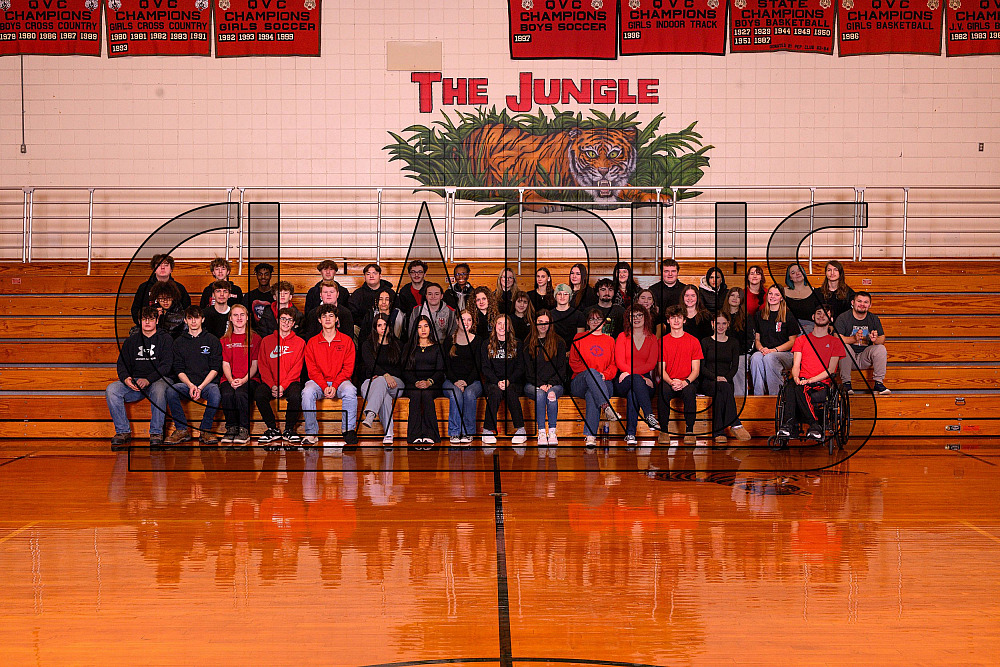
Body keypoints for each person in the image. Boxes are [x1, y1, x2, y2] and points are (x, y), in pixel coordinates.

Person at [106, 306, 174, 449]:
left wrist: (148, 379)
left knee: (160, 389)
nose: (147, 322)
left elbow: (166, 366)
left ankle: (156, 433)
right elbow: (122, 364)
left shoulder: (165, 339)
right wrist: (126, 379)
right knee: (112, 389)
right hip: (136, 382)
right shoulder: (132, 341)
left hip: (158, 380)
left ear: (156, 320)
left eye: (150, 319)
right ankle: (123, 432)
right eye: (144, 319)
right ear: (139, 321)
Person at [777, 305, 847, 441]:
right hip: (802, 381)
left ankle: (810, 425)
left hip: (821, 383)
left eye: (825, 314)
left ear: (831, 319)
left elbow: (831, 370)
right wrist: (796, 377)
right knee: (791, 385)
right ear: (813, 317)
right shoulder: (801, 340)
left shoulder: (835, 342)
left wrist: (810, 380)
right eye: (818, 313)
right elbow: (796, 365)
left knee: (798, 388)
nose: (821, 316)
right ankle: (795, 425)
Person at [301, 304, 358, 448]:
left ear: (337, 319)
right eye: (324, 316)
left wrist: (335, 385)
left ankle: (348, 430)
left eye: (331, 316)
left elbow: (348, 369)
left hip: (341, 381)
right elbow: (312, 370)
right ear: (319, 320)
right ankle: (311, 433)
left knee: (351, 391)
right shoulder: (312, 342)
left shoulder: (346, 341)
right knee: (307, 391)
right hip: (319, 382)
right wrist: (325, 386)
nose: (327, 319)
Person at [165, 306, 223, 445]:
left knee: (215, 393)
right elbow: (178, 369)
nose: (193, 321)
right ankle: (182, 430)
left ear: (202, 319)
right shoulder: (179, 342)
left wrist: (201, 387)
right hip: (186, 384)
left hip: (207, 383)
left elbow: (215, 368)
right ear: (185, 320)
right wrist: (191, 385)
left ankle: (205, 430)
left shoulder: (212, 340)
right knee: (171, 391)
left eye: (196, 318)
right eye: (190, 318)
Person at [256, 307, 306, 446]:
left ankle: (289, 430)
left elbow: (297, 368)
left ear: (293, 323)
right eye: (283, 319)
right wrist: (272, 385)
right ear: (278, 321)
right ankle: (272, 429)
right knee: (260, 393)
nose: (286, 322)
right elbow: (263, 365)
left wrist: (283, 385)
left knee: (296, 395)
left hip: (290, 382)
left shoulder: (300, 342)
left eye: (289, 320)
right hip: (270, 382)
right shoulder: (266, 341)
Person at [569, 307, 618, 449]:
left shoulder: (610, 341)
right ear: (588, 322)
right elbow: (574, 363)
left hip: (604, 382)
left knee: (592, 393)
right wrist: (594, 375)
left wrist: (604, 375)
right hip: (580, 381)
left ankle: (590, 436)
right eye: (592, 319)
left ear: (604, 323)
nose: (595, 322)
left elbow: (614, 365)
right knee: (591, 373)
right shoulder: (579, 338)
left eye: (598, 319)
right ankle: (607, 406)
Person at [699, 311, 751, 443]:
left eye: (723, 323)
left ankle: (719, 433)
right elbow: (702, 367)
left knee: (721, 394)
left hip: (726, 382)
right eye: (717, 323)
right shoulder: (705, 342)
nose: (720, 326)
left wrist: (725, 378)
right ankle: (735, 423)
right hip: (709, 381)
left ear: (728, 325)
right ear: (712, 324)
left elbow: (734, 367)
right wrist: (716, 377)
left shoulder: (733, 342)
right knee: (721, 388)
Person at [614, 304, 661, 446]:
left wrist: (636, 375)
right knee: (634, 381)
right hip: (624, 379)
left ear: (645, 317)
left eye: (639, 315)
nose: (636, 318)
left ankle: (630, 434)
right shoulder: (622, 337)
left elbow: (651, 364)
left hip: (645, 383)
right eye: (632, 316)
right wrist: (638, 376)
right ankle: (649, 415)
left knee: (633, 394)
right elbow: (620, 362)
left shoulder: (652, 339)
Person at [523, 309, 569, 447]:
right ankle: (541, 432)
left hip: (555, 384)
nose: (543, 325)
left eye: (546, 323)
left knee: (551, 394)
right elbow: (528, 370)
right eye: (540, 322)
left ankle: (552, 432)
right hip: (533, 384)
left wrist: (551, 384)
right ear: (535, 323)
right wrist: (540, 384)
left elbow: (562, 369)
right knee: (540, 394)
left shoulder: (559, 342)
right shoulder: (528, 342)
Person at [480, 314, 528, 446]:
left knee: (511, 391)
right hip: (493, 382)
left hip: (513, 381)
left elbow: (520, 367)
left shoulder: (517, 343)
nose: (502, 326)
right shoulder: (486, 344)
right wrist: (497, 381)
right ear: (494, 326)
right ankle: (487, 430)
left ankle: (520, 430)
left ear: (509, 327)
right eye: (499, 323)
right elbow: (485, 368)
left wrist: (508, 380)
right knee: (495, 392)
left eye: (505, 324)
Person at [658, 305, 703, 445]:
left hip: (687, 381)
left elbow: (696, 370)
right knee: (663, 391)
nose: (676, 320)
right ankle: (664, 430)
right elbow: (661, 369)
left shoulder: (693, 341)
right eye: (672, 318)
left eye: (679, 317)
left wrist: (684, 382)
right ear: (668, 321)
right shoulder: (662, 342)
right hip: (669, 380)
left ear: (684, 320)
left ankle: (689, 430)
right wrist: (671, 382)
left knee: (690, 392)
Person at [359, 313, 404, 446]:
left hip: (395, 383)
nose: (383, 328)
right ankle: (389, 434)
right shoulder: (367, 345)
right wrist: (384, 376)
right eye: (379, 325)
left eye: (385, 324)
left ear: (390, 326)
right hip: (371, 383)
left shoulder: (398, 345)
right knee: (383, 392)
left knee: (380, 381)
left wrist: (386, 376)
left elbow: (401, 369)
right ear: (374, 327)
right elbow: (370, 365)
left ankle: (371, 413)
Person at [834, 291, 890, 395]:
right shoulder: (843, 317)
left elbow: (882, 339)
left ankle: (878, 383)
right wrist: (853, 339)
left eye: (865, 302)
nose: (862, 304)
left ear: (870, 305)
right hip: (848, 359)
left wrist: (875, 340)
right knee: (843, 346)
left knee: (880, 348)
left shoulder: (873, 318)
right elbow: (837, 338)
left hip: (864, 357)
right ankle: (846, 384)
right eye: (859, 301)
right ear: (852, 302)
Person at [219, 304, 259, 446]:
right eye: (235, 315)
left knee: (241, 394)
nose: (239, 318)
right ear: (230, 318)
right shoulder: (224, 340)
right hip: (229, 379)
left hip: (250, 379)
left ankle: (243, 430)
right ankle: (231, 428)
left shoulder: (255, 338)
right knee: (228, 394)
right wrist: (231, 380)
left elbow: (255, 364)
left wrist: (243, 380)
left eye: (242, 315)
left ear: (247, 317)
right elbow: (225, 364)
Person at [401, 316, 445, 446]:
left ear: (430, 328)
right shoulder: (409, 347)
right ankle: (414, 435)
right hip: (413, 383)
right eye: (419, 327)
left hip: (433, 384)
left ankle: (430, 434)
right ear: (415, 330)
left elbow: (440, 370)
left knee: (426, 394)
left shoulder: (438, 347)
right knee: (415, 394)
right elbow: (405, 370)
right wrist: (416, 382)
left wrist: (429, 382)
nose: (423, 330)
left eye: (426, 326)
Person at [750, 285, 801, 395]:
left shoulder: (788, 315)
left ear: (782, 298)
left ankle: (776, 395)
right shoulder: (760, 315)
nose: (772, 297)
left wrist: (775, 350)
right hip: (766, 351)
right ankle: (758, 395)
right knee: (755, 357)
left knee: (770, 357)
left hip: (785, 354)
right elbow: (757, 338)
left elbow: (793, 341)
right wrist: (761, 349)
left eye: (777, 295)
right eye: (770, 294)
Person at [442, 310, 482, 444]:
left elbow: (478, 366)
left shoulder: (477, 341)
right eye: (463, 319)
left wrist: (466, 382)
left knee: (469, 394)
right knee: (456, 394)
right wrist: (456, 382)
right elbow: (446, 366)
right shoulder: (449, 340)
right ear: (457, 321)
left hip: (473, 381)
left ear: (472, 322)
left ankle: (467, 432)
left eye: (469, 320)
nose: (466, 322)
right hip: (451, 381)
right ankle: (454, 432)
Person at [130, 253, 191, 325]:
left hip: (175, 330)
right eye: (158, 265)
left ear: (171, 269)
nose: (162, 267)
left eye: (166, 265)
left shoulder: (179, 288)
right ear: (154, 269)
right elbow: (135, 310)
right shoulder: (144, 288)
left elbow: (187, 310)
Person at [721, 287, 750, 396]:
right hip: (723, 352)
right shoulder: (720, 315)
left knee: (738, 364)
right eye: (732, 295)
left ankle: (739, 398)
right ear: (728, 297)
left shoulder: (746, 317)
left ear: (742, 300)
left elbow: (750, 340)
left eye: (738, 297)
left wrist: (737, 353)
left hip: (742, 353)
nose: (735, 298)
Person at [784, 263, 819, 334]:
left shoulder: (816, 292)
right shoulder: (782, 292)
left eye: (799, 270)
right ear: (790, 277)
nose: (797, 273)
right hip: (789, 330)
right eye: (793, 272)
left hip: (811, 330)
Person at [551, 283, 585, 349]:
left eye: (565, 294)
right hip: (553, 351)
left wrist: (571, 352)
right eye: (559, 294)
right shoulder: (550, 315)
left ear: (570, 296)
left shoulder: (578, 315)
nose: (562, 297)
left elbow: (579, 339)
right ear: (555, 296)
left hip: (573, 351)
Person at [245, 262, 275, 330]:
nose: (263, 277)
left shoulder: (276, 296)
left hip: (271, 333)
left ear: (270, 276)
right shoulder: (249, 296)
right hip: (254, 333)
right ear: (257, 276)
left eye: (266, 274)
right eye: (260, 274)